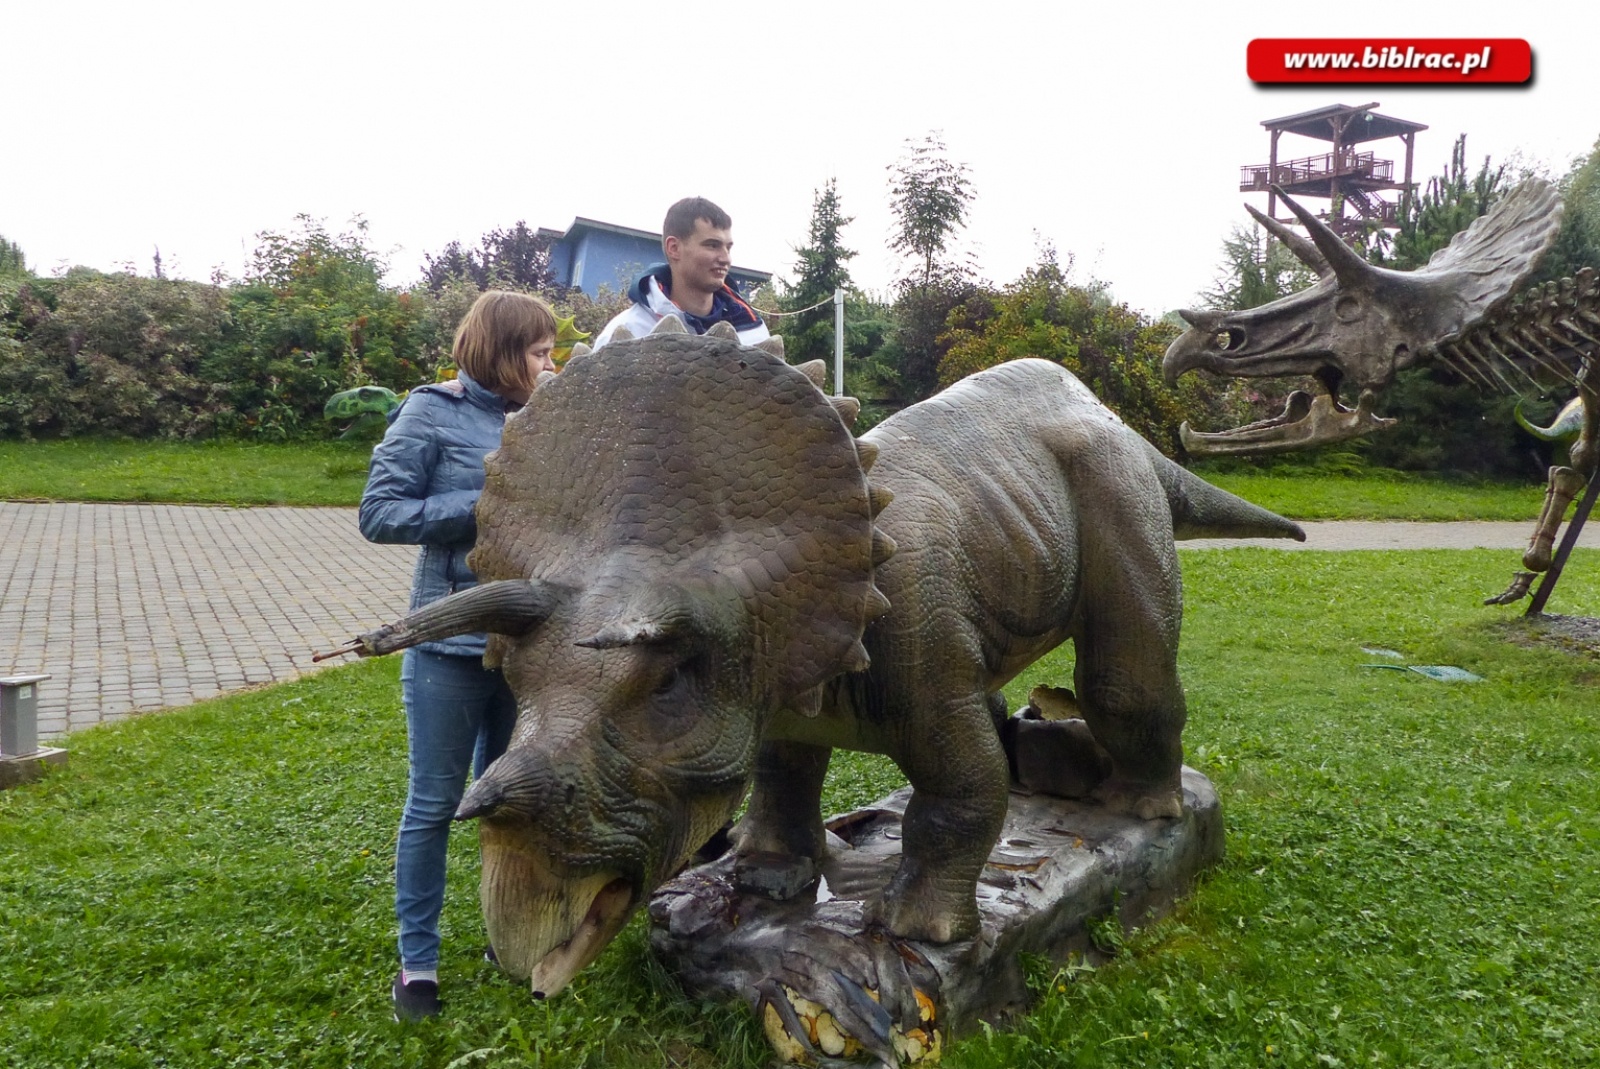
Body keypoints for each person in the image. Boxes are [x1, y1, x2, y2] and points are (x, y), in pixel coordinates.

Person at [358, 290, 558, 1021]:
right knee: (434, 804)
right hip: (447, 645)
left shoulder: (543, 413)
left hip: (524, 646)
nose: (550, 362)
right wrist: (480, 505)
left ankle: (505, 937)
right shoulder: (430, 412)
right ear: (504, 354)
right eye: (539, 352)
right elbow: (379, 514)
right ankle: (417, 965)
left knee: (506, 800)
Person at [593, 196, 770, 349]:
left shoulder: (753, 334)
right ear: (674, 248)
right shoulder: (628, 335)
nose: (725, 259)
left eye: (728, 247)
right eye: (712, 245)